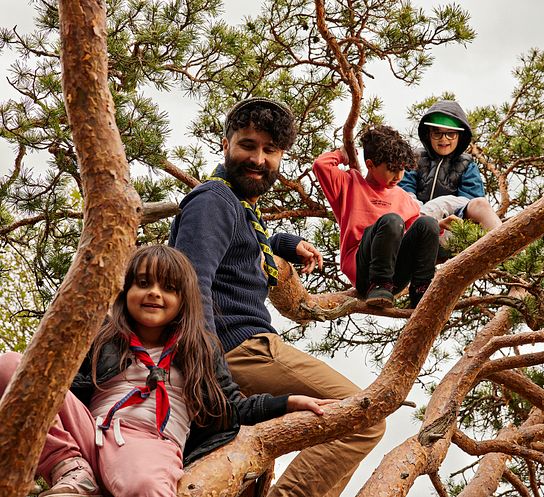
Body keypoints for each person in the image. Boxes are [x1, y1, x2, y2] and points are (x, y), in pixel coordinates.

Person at [169, 96, 385, 497]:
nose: (259, 158)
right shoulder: (213, 200)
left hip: (237, 353)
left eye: (270, 151)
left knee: (246, 475)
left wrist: (288, 243)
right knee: (362, 415)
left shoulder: (239, 207)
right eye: (248, 145)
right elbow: (189, 283)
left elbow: (250, 240)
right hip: (238, 349)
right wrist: (206, 366)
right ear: (225, 144)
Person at [0, 245, 331, 497]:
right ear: (126, 292)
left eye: (168, 288)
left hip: (148, 443)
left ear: (184, 299)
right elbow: (56, 384)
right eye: (143, 283)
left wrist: (287, 403)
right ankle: (71, 470)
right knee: (12, 368)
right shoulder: (104, 336)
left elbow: (233, 408)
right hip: (89, 431)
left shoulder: (200, 349)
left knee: (147, 485)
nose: (154, 293)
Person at [313, 125, 441, 308]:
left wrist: (438, 227)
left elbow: (418, 233)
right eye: (391, 169)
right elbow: (321, 165)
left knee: (428, 223)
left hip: (395, 275)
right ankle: (379, 284)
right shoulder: (349, 185)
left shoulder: (403, 197)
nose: (398, 175)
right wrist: (342, 154)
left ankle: (421, 291)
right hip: (364, 271)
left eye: (402, 168)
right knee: (392, 221)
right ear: (370, 165)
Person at [399, 100, 501, 253]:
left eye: (450, 133)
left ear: (460, 136)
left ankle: (506, 247)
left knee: (481, 203)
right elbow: (405, 193)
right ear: (428, 134)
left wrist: (439, 205)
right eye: (437, 133)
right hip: (416, 227)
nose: (443, 139)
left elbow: (469, 201)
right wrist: (426, 216)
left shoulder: (467, 164)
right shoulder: (416, 158)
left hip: (452, 230)